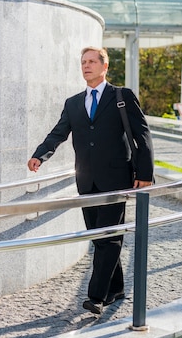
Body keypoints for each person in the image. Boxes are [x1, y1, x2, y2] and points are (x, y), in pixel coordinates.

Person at [27, 46, 154, 315]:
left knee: (109, 237)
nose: (86, 66)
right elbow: (58, 133)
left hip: (117, 178)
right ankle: (116, 288)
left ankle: (95, 296)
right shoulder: (73, 103)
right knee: (99, 238)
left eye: (92, 61)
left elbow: (141, 135)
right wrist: (41, 155)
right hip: (86, 180)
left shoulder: (122, 96)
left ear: (105, 66)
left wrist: (145, 173)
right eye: (83, 62)